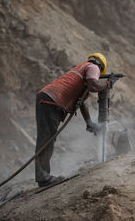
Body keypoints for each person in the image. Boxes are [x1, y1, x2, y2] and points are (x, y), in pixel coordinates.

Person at [35, 53, 112, 187]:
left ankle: (43, 176)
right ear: (101, 67)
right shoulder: (93, 67)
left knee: (47, 138)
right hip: (51, 100)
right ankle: (43, 178)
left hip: (47, 98)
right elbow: (94, 86)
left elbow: (81, 102)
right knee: (47, 139)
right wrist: (107, 84)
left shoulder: (81, 70)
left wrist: (89, 123)